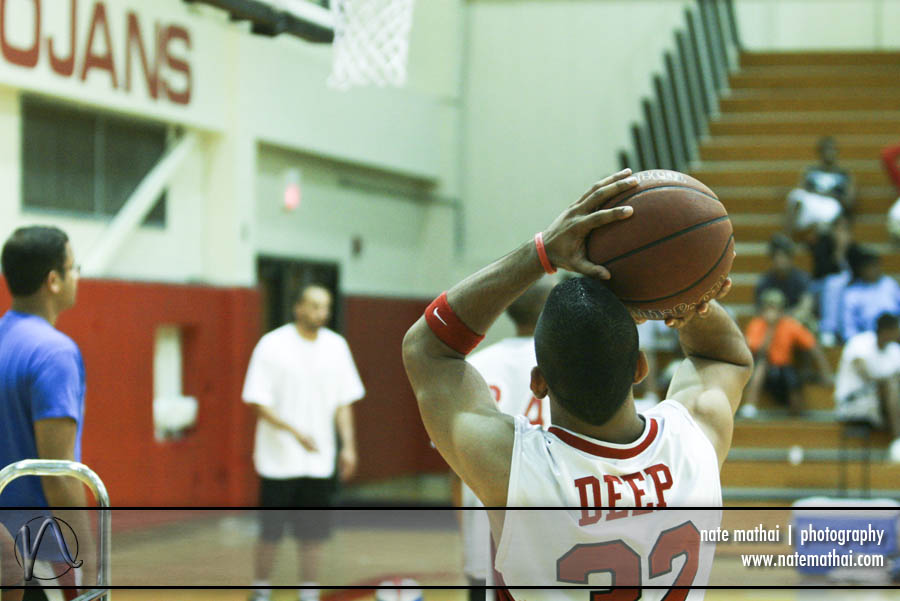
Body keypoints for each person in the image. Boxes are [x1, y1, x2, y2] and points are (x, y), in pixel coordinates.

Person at [403, 169, 754, 598]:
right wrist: (684, 298)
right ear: (639, 368)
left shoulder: (513, 473)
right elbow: (724, 356)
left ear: (538, 383)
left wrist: (542, 253)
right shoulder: (694, 441)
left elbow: (427, 348)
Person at [242, 284, 365, 601]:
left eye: (324, 307)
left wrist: (348, 446)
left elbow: (343, 402)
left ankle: (309, 592)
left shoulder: (337, 347)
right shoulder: (272, 345)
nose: (319, 313)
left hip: (318, 461)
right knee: (271, 533)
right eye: (313, 306)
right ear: (298, 307)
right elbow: (257, 400)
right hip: (278, 460)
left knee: (313, 535)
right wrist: (293, 431)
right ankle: (260, 589)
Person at [0, 226, 95, 600]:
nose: (77, 277)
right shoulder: (54, 353)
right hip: (41, 553)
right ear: (53, 280)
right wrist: (88, 552)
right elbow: (57, 473)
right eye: (74, 268)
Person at [459, 279, 553, 599]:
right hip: (548, 524)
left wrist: (467, 537)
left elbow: (453, 464)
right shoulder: (565, 363)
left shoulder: (474, 365)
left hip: (485, 523)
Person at [739, 289, 832, 418]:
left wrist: (825, 372)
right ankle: (750, 406)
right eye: (768, 307)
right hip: (764, 367)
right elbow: (758, 351)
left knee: (792, 379)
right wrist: (770, 329)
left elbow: (812, 346)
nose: (772, 312)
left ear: (781, 310)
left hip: (784, 368)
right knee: (761, 367)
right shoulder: (756, 324)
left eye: (775, 308)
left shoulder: (789, 325)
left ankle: (796, 414)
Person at [834, 313, 900, 462]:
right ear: (887, 331)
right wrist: (890, 380)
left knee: (893, 386)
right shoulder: (860, 343)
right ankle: (897, 440)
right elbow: (865, 374)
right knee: (891, 385)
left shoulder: (895, 350)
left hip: (879, 405)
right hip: (853, 403)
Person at [839, 250, 900, 343]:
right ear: (861, 269)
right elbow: (848, 327)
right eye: (869, 267)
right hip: (868, 341)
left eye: (876, 265)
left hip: (894, 336)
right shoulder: (852, 293)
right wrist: (859, 343)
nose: (873, 269)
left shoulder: (890, 284)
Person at [754, 234, 815, 327]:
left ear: (790, 258)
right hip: (772, 325)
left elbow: (806, 306)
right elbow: (760, 311)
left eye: (783, 256)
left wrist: (785, 320)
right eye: (777, 257)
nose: (780, 261)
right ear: (772, 259)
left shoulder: (801, 278)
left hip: (795, 322)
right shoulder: (764, 281)